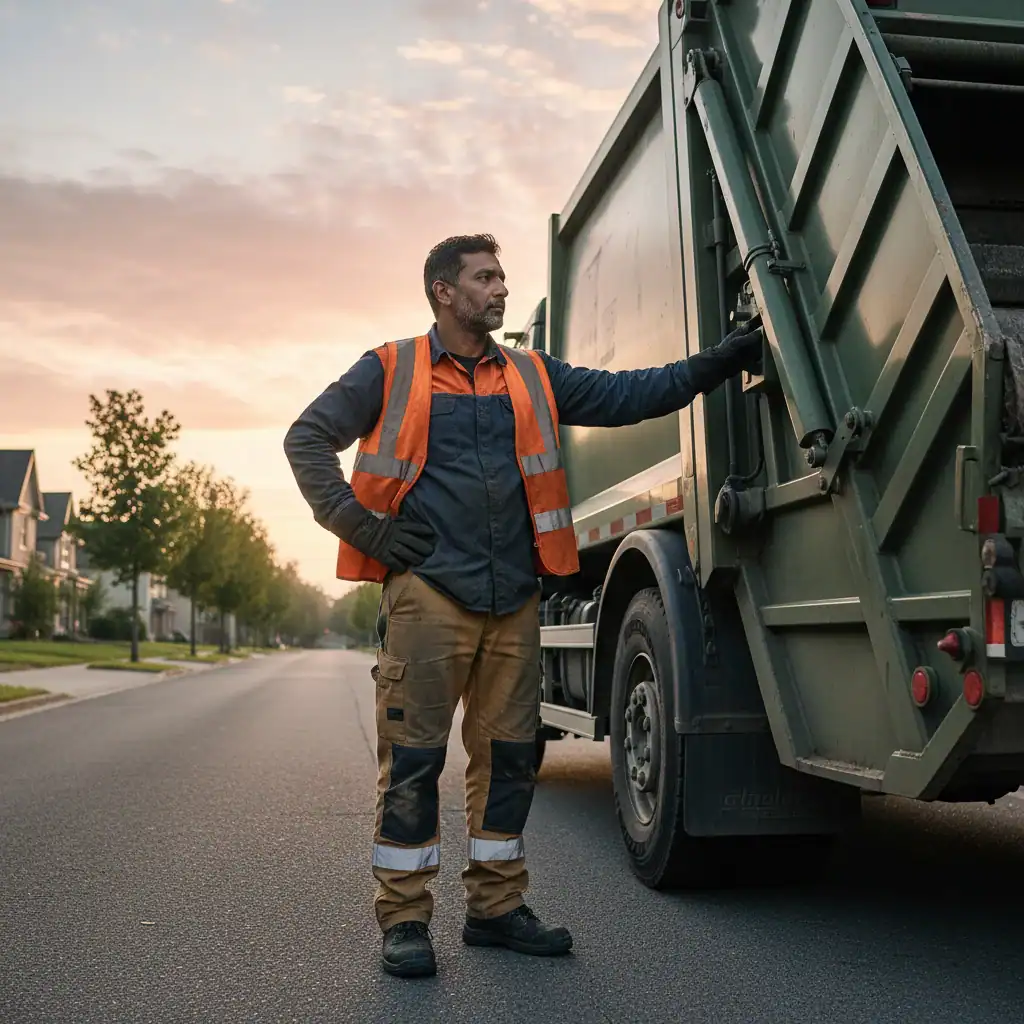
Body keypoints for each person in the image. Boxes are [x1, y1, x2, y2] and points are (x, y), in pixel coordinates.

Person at [283, 233, 762, 979]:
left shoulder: (531, 374)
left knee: (509, 765)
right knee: (412, 766)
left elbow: (629, 393)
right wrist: (364, 528)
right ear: (444, 291)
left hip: (514, 600)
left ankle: (496, 909)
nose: (501, 289)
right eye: (484, 277)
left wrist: (716, 363)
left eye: (503, 276)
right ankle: (405, 921)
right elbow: (306, 439)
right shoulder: (391, 368)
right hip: (428, 598)